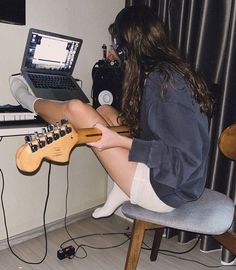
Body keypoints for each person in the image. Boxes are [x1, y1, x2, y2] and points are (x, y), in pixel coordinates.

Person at [9, 5, 213, 219]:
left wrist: (118, 141)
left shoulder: (163, 82)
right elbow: (162, 133)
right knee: (105, 110)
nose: (116, 55)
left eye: (118, 49)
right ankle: (121, 189)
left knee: (77, 109)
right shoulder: (165, 72)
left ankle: (26, 99)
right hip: (172, 178)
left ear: (126, 48)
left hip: (168, 191)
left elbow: (184, 159)